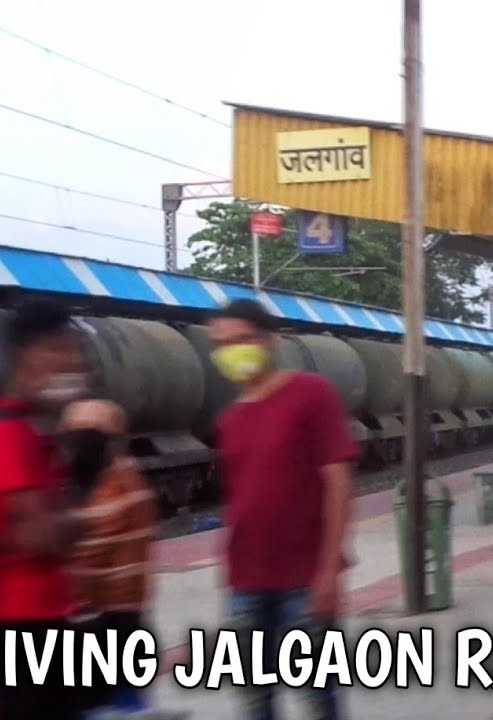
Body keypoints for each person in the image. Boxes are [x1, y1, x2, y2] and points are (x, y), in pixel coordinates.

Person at [0, 297, 92, 720]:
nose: (73, 362)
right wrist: (84, 517)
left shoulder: (27, 429)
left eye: (75, 350)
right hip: (18, 631)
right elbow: (38, 536)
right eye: (61, 349)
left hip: (41, 620)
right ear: (25, 356)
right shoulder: (3, 436)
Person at [209, 299, 357, 720]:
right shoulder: (229, 419)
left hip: (304, 579)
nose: (233, 350)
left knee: (317, 699)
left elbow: (338, 482)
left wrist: (329, 569)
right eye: (222, 344)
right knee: (254, 700)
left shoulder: (311, 394)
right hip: (245, 581)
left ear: (271, 340)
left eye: (243, 339)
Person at [61, 399, 164, 716]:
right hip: (116, 620)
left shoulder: (117, 486)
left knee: (104, 705)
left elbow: (85, 551)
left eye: (84, 433)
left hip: (107, 623)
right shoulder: (120, 480)